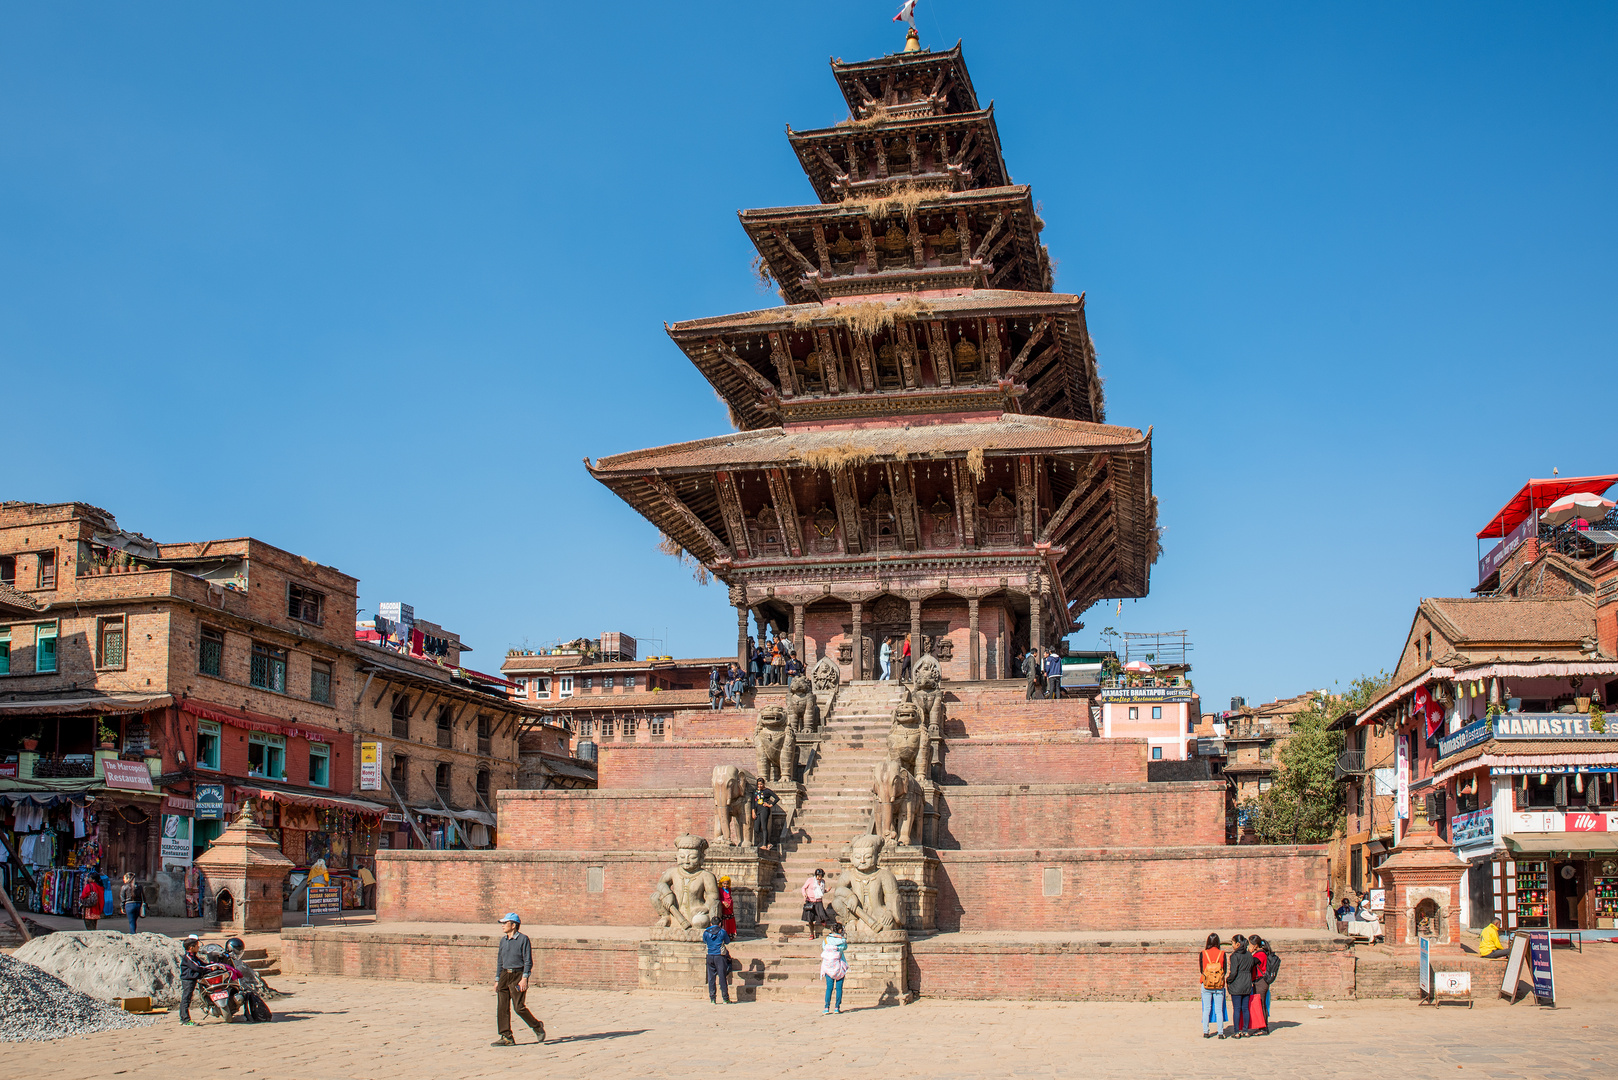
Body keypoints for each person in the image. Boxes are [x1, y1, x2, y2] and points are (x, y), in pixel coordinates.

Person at [492, 912, 545, 1047]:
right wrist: (498, 979)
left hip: (518, 975)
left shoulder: (523, 939)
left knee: (518, 1006)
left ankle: (537, 1025)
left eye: (505, 923)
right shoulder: (503, 941)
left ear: (513, 925)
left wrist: (524, 978)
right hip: (505, 974)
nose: (503, 926)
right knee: (502, 1007)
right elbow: (500, 960)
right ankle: (506, 1036)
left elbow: (528, 960)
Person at [1198, 932, 1228, 1038]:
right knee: (1219, 1010)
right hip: (1219, 984)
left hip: (1206, 983)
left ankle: (1206, 1031)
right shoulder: (1222, 953)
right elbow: (1225, 970)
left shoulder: (1203, 953)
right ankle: (1220, 1032)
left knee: (1206, 1009)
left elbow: (1202, 969)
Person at [1225, 934, 1256, 1037]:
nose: (1232, 945)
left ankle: (1236, 1031)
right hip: (1247, 983)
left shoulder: (1234, 956)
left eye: (1233, 943)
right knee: (1245, 1008)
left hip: (1237, 985)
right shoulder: (1249, 955)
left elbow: (1233, 972)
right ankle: (1245, 1030)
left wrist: (1228, 980)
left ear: (1238, 944)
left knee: (1237, 1009)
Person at [702, 917, 733, 1004]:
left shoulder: (706, 932)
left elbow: (705, 941)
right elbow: (727, 941)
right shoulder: (722, 932)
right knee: (722, 977)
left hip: (710, 955)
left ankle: (712, 998)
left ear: (711, 924)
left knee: (711, 977)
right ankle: (725, 998)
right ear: (719, 924)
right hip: (719, 956)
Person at [821, 921, 848, 1015]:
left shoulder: (826, 940)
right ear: (840, 930)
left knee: (829, 987)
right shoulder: (842, 941)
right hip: (839, 965)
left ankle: (826, 1007)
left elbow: (824, 948)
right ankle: (837, 1007)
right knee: (839, 988)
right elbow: (845, 948)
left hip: (828, 966)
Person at [177, 935, 205, 1025]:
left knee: (187, 998)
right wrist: (208, 969)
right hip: (188, 980)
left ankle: (184, 1018)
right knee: (186, 998)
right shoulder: (188, 957)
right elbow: (197, 967)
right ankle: (185, 1019)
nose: (198, 947)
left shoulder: (193, 956)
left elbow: (201, 964)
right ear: (191, 947)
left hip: (192, 979)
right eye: (197, 945)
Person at [1248, 935, 1269, 1035]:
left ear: (1255, 946)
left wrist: (1249, 953)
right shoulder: (1261, 953)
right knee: (1261, 1004)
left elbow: (1249, 963)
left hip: (1260, 982)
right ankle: (1262, 1026)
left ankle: (1263, 1028)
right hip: (1260, 982)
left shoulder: (1259, 955)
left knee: (1261, 1004)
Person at [752, 780, 782, 850]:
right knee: (756, 829)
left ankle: (764, 845)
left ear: (764, 784)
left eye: (761, 784)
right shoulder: (755, 791)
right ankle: (768, 842)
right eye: (758, 784)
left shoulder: (767, 791)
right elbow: (753, 802)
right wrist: (753, 811)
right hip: (758, 811)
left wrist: (770, 805)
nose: (759, 786)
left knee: (764, 827)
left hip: (764, 810)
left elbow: (777, 798)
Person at [801, 868, 829, 939]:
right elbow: (803, 888)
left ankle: (822, 921)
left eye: (821, 876)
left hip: (818, 901)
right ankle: (811, 934)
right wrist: (804, 894)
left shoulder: (823, 882)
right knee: (810, 919)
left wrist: (826, 890)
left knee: (822, 914)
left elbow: (821, 891)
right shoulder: (810, 880)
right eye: (818, 876)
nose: (819, 878)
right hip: (810, 901)